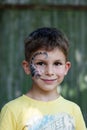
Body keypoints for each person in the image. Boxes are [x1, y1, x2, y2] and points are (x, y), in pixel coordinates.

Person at [0, 27, 86, 130]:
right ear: (27, 67)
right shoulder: (11, 110)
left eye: (57, 63)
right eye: (41, 63)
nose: (49, 72)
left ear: (66, 68)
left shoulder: (73, 110)